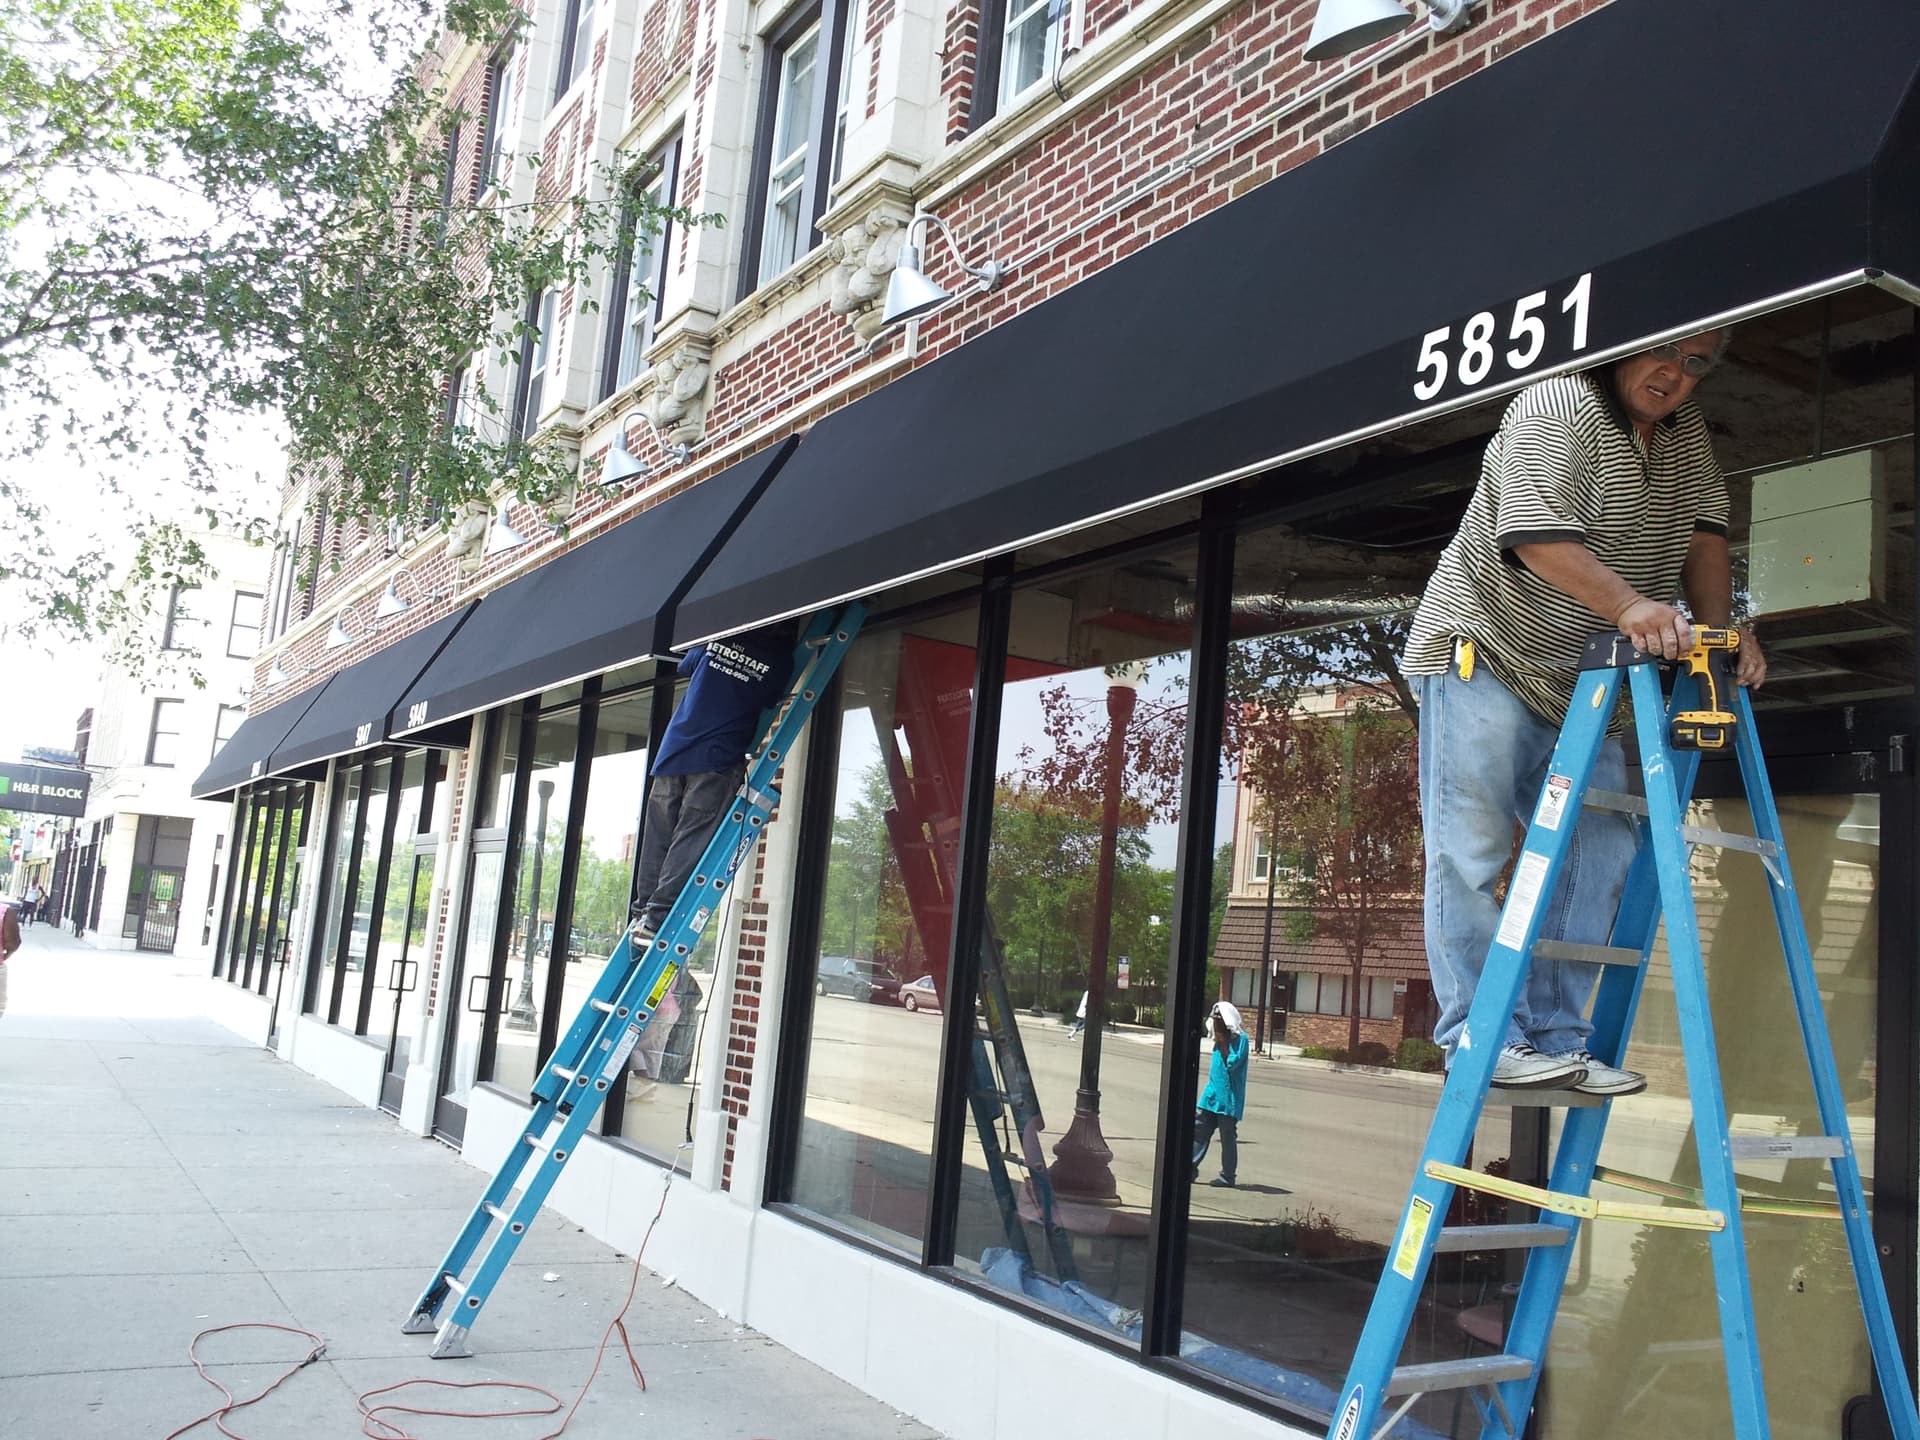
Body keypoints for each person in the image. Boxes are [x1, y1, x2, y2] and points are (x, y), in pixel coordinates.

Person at [1402, 331, 1766, 1095]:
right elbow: (1534, 537)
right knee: (1469, 851)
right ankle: (1479, 1037)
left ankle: (1556, 1038)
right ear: (1626, 346)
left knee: (1601, 854)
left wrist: (1721, 639)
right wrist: (1633, 606)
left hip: (1586, 681)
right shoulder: (1559, 403)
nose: (1675, 374)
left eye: (1698, 364)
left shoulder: (1684, 436)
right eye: (1666, 353)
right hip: (1488, 652)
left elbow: (1705, 539)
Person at [624, 622, 796, 1077]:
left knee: (659, 835)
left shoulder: (719, 634)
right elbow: (771, 697)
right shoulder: (779, 659)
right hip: (718, 757)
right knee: (690, 838)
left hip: (674, 751)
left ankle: (644, 913)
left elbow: (687, 663)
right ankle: (658, 915)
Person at [1191, 1001, 1248, 1188]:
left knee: (1227, 1138)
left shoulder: (1241, 1041)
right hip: (1211, 1097)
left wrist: (1224, 1044)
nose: (1216, 1025)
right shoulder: (1216, 1040)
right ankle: (1189, 1167)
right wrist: (1219, 1040)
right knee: (1199, 1132)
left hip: (1228, 1101)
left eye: (1219, 1021)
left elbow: (1233, 1064)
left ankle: (1227, 1176)